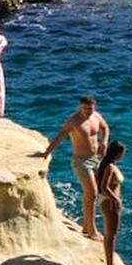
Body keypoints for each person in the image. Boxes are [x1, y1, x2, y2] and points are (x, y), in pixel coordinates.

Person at [39, 95, 109, 239]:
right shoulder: (74, 121)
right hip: (81, 161)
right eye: (84, 108)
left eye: (90, 108)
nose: (87, 111)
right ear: (80, 107)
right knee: (92, 193)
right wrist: (46, 152)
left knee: (93, 194)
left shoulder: (96, 116)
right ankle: (92, 231)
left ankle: (86, 226)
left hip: (96, 159)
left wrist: (104, 142)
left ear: (94, 107)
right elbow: (60, 136)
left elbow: (105, 128)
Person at [95, 140, 127, 265]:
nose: (124, 155)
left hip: (107, 201)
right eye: (123, 153)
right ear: (118, 154)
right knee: (111, 235)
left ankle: (110, 263)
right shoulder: (109, 167)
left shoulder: (107, 164)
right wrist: (116, 200)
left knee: (110, 234)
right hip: (110, 202)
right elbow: (104, 187)